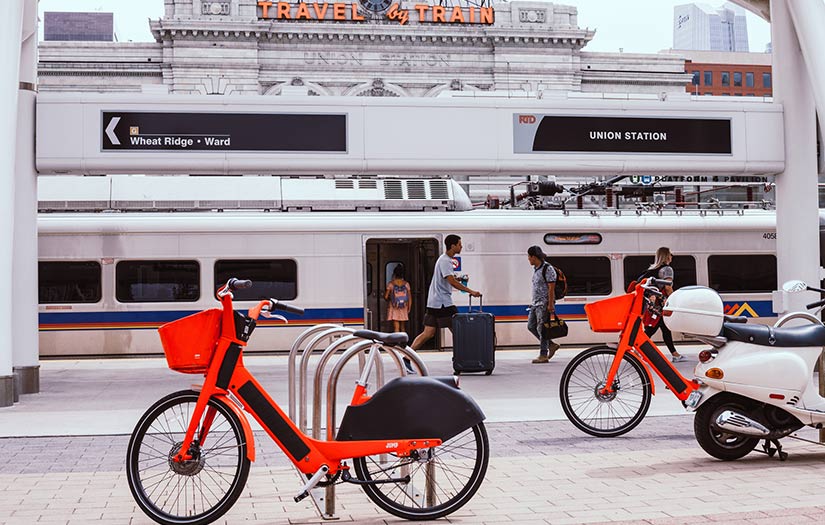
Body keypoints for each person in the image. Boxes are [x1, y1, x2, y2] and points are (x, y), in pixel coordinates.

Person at [409, 235, 481, 370]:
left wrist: (458, 278)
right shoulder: (446, 261)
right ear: (452, 246)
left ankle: (406, 358)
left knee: (428, 333)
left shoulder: (443, 260)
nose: (461, 247)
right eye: (459, 244)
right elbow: (451, 281)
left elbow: (449, 278)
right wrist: (471, 291)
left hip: (434, 302)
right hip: (443, 303)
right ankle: (462, 359)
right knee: (459, 331)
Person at [643, 246, 685, 363]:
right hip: (660, 303)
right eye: (670, 254)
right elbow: (667, 287)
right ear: (667, 256)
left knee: (664, 328)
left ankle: (675, 354)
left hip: (651, 303)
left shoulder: (652, 269)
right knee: (652, 329)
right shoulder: (667, 269)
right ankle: (637, 351)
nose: (672, 257)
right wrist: (674, 299)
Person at [526, 246, 560, 364]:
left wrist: (550, 305)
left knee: (542, 328)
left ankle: (543, 354)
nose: (528, 259)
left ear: (534, 257)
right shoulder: (536, 269)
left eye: (529, 257)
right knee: (531, 326)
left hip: (544, 304)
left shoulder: (547, 268)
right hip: (535, 303)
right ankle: (551, 345)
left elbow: (551, 288)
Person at [384, 264, 411, 334]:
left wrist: (390, 299)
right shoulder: (406, 284)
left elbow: (386, 297)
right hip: (404, 306)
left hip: (394, 307)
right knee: (403, 327)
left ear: (394, 274)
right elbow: (409, 297)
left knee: (396, 327)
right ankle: (403, 342)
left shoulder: (391, 284)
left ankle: (397, 342)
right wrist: (409, 307)